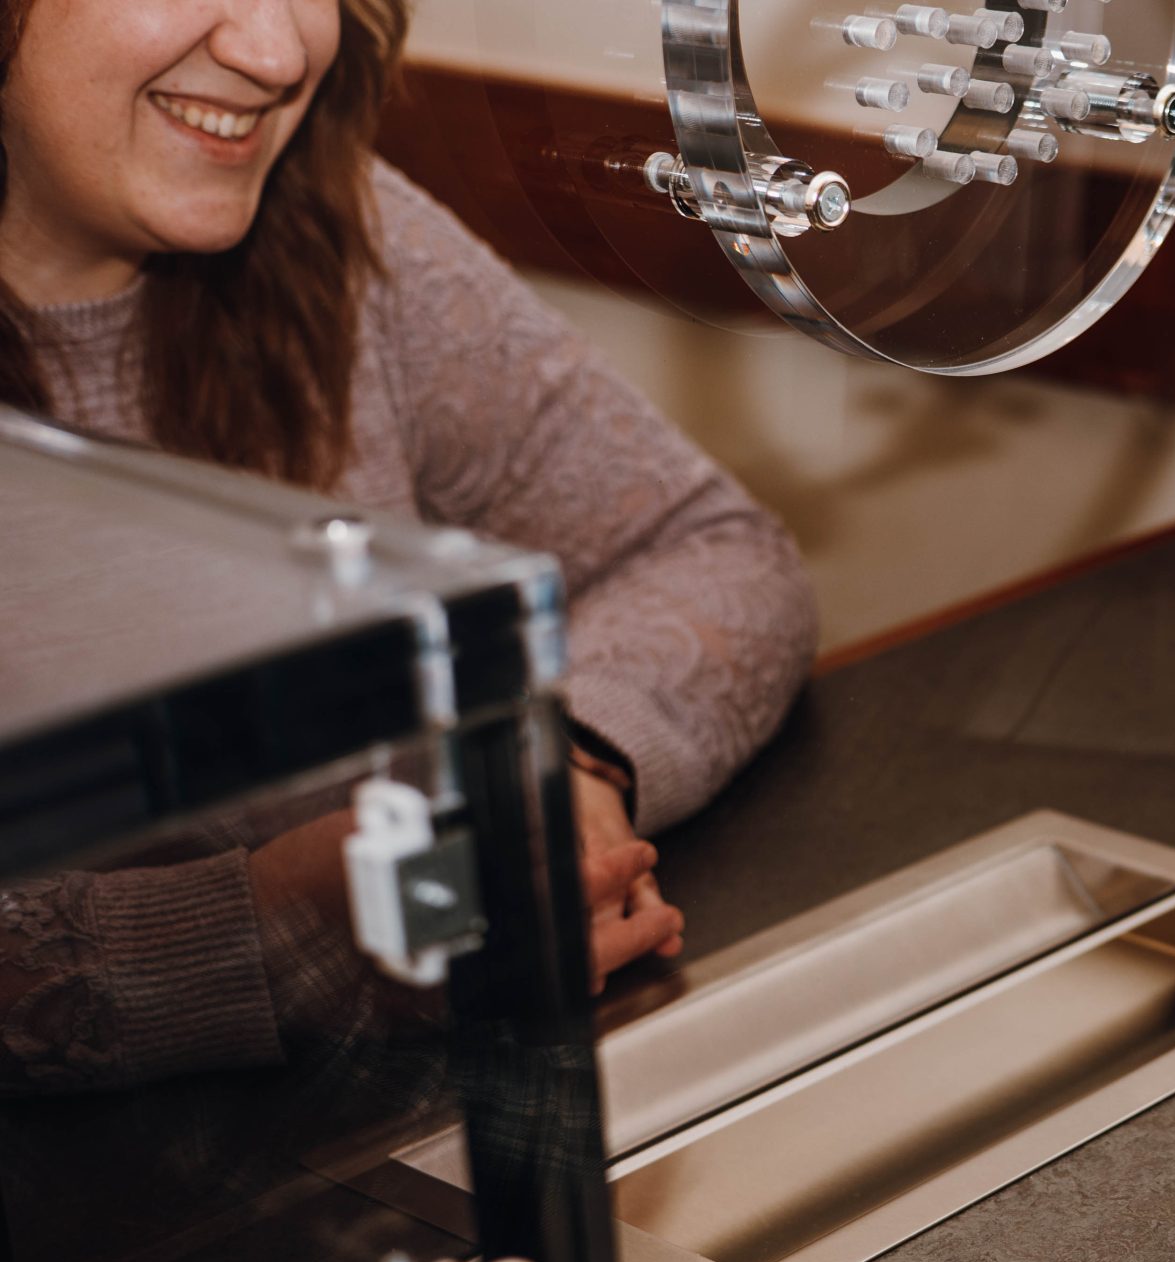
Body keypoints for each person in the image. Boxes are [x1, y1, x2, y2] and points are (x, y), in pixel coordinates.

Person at [0, 0, 815, 1036]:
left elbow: (713, 549)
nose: (277, 49)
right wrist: (266, 937)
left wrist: (558, 759)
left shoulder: (342, 229)